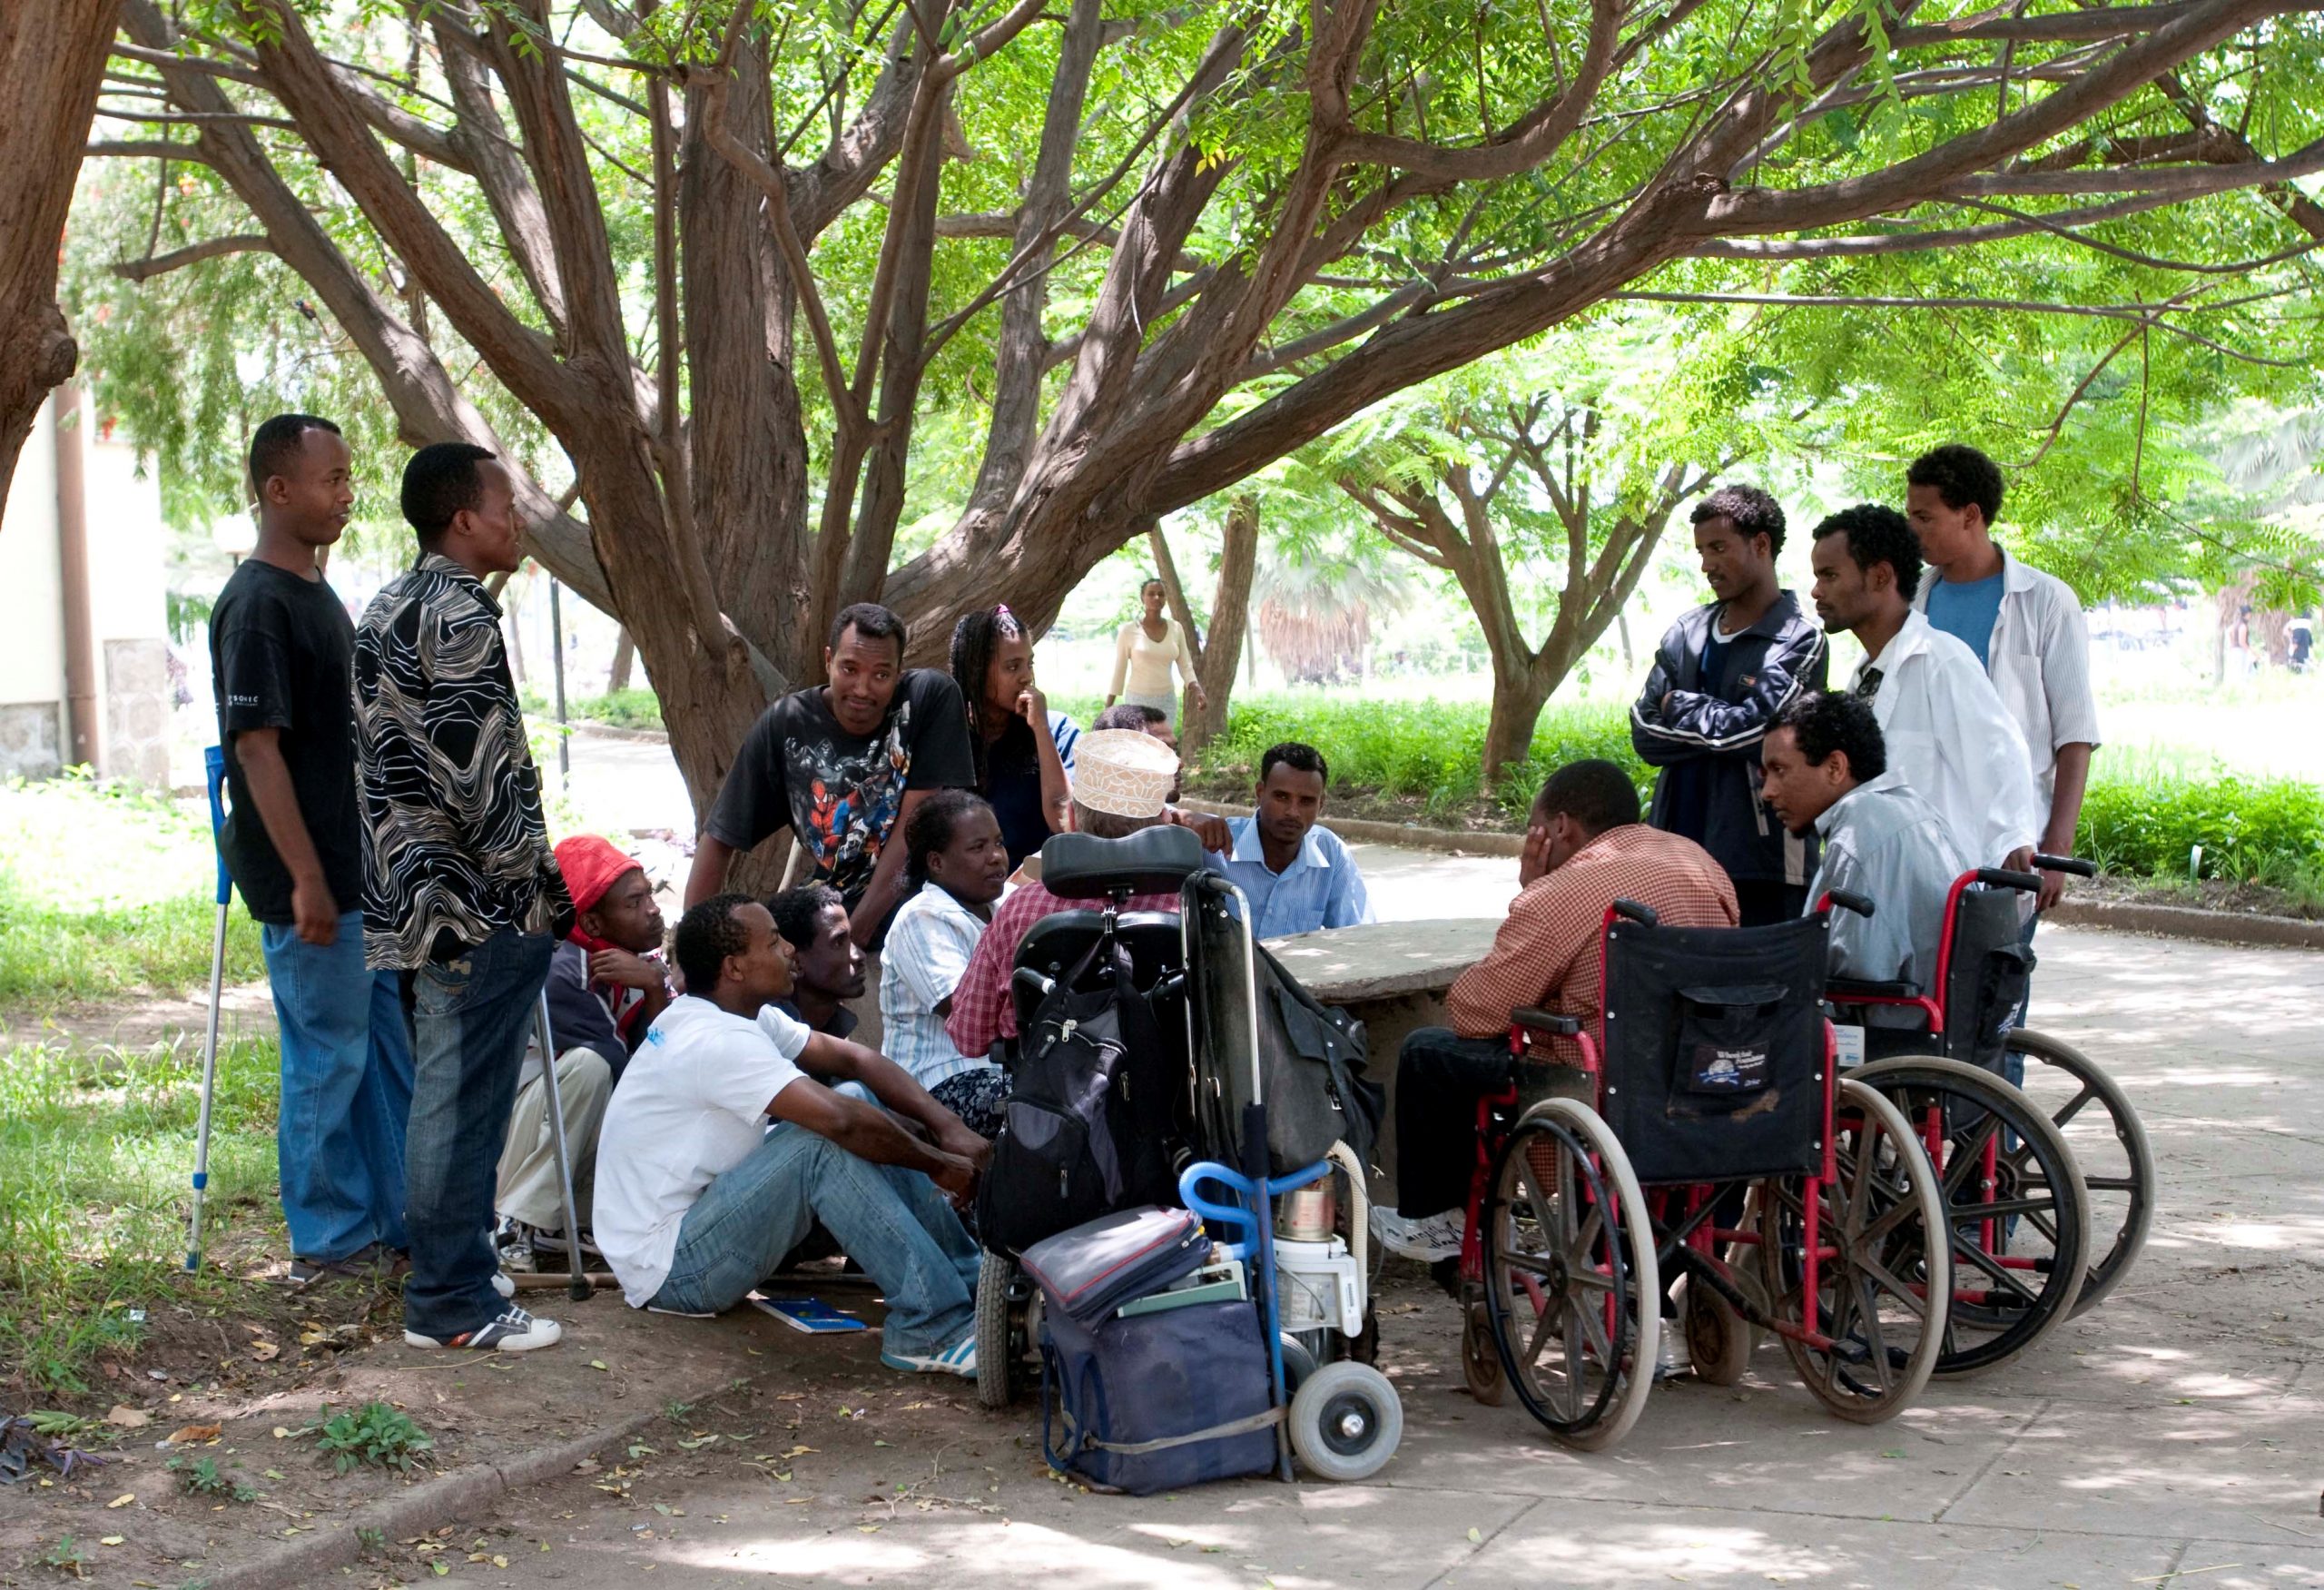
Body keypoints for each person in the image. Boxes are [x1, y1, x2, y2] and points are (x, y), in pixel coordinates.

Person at [356, 441, 574, 1353]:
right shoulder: (458, 614)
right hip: (479, 898)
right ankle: (451, 1301)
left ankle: (458, 1268)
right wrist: (536, 884)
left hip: (407, 890)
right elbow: (480, 771)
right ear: (462, 518)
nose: (517, 518)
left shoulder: (383, 606)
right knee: (464, 1092)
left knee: (445, 1086)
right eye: (504, 503)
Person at [592, 894, 990, 1375]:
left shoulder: (743, 1015)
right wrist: (939, 1164)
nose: (789, 951)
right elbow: (837, 1123)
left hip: (697, 1225)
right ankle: (932, 1329)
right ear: (735, 968)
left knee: (855, 1096)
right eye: (774, 941)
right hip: (673, 1269)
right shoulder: (716, 1040)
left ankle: (971, 1285)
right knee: (821, 1140)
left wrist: (949, 1128)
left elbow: (853, 1060)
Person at [1372, 760, 1737, 1263]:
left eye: (1533, 829)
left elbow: (1476, 1013)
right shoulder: (1698, 861)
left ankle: (1437, 1219)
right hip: (1701, 1081)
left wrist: (1532, 890)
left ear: (1560, 827)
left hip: (1599, 1089)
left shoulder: (1570, 888)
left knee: (1428, 1051)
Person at [209, 413, 414, 1286]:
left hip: (355, 867)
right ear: (277, 489)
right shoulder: (257, 603)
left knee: (383, 1054)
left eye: (348, 476)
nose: (346, 493)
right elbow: (257, 749)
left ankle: (398, 1223)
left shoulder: (316, 589)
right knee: (328, 1057)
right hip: (310, 878)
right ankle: (329, 1242)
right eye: (330, 478)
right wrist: (303, 877)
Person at [684, 602, 978, 1046]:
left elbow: (914, 832)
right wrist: (692, 962)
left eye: (881, 674)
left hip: (909, 913)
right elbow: (719, 837)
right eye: (849, 668)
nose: (863, 688)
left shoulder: (927, 699)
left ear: (899, 672)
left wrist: (853, 936)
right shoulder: (786, 726)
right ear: (827, 661)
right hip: (830, 923)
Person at [1906, 444, 2102, 1034]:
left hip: (2009, 842)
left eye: (1925, 517)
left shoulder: (2044, 601)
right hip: (1922, 831)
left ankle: (2001, 1128)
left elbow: (2075, 734)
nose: (1912, 529)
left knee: (1993, 1016)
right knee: (1922, 1005)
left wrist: (2054, 848)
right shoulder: (1910, 602)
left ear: (1971, 515)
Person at [1630, 485, 1828, 926]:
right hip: (1676, 856)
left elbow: (1759, 735)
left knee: (1759, 989)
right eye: (1701, 551)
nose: (1706, 565)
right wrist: (1726, 726)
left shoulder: (1800, 639)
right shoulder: (1686, 633)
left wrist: (1678, 703)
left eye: (1719, 548)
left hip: (1762, 865)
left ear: (1761, 545)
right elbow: (1645, 733)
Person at [1807, 504, 2043, 872]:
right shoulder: (1866, 675)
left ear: (1881, 576)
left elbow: (2000, 755)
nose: (1816, 591)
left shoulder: (1941, 661)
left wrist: (2014, 842)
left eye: (1830, 576)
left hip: (1939, 888)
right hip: (1877, 880)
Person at [945, 729, 1185, 1061]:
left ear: (1071, 817)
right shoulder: (1190, 910)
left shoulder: (1020, 908)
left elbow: (968, 1037)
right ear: (1164, 823)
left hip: (1050, 1103)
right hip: (1169, 1106)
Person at [494, 835, 670, 1267]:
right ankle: (513, 1221)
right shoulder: (563, 970)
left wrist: (654, 989)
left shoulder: (621, 960)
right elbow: (636, 1074)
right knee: (594, 1068)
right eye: (633, 903)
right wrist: (650, 984)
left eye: (648, 894)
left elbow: (668, 1056)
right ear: (590, 924)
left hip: (546, 1129)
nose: (652, 909)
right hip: (504, 1142)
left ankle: (563, 1223)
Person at [1758, 694, 1967, 1032]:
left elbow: (1856, 970)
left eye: (1779, 770)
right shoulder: (1912, 807)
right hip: (1947, 1020)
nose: (1767, 791)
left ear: (1835, 767)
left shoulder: (1862, 826)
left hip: (1889, 1033)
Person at [879, 790, 1012, 1139]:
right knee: (1035, 1107)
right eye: (978, 848)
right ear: (936, 862)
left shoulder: (1004, 906)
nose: (996, 857)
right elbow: (966, 1014)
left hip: (1000, 1072)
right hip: (937, 1085)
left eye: (999, 843)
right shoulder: (921, 919)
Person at [949, 605, 1079, 869]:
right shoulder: (948, 737)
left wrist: (1040, 729)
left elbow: (1066, 822)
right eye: (1012, 667)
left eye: (1029, 663)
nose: (1026, 677)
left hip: (1034, 891)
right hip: (963, 892)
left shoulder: (1058, 730)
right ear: (977, 670)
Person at [1204, 742, 1374, 938]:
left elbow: (1359, 934)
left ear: (1321, 804)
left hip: (1297, 969)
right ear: (1260, 793)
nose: (1293, 812)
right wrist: (1181, 818)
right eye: (1282, 797)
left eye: (1307, 801)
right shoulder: (1215, 845)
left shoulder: (1330, 852)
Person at [1090, 701, 1232, 851]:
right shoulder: (1083, 830)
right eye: (1161, 751)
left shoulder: (1206, 833)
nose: (1179, 763)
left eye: (1174, 750)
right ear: (1120, 761)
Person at [1105, 577, 1205, 731]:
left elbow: (1185, 665)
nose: (1156, 597)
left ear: (1166, 598)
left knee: (1162, 747)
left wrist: (1197, 690)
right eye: (1151, 594)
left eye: (1161, 594)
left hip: (1166, 700)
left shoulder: (1176, 628)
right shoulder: (1129, 631)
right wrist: (1108, 709)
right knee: (1141, 747)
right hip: (1137, 700)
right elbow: (1120, 671)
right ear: (1142, 597)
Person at [767, 884, 863, 1042]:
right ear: (796, 962)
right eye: (839, 942)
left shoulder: (834, 1027)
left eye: (850, 939)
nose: (859, 955)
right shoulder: (766, 1037)